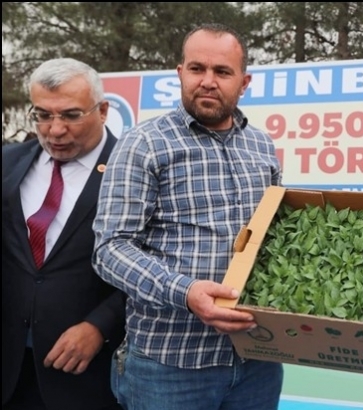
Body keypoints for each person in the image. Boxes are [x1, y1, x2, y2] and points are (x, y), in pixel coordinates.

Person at [92, 23, 284, 410]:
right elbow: (110, 249)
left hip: (257, 360)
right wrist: (185, 292)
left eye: (222, 71)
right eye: (197, 69)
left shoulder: (262, 146)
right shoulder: (144, 143)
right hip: (169, 367)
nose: (208, 81)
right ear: (180, 73)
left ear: (244, 83)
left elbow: (271, 236)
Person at [1, 58, 124, 410]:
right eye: (42, 115)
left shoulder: (132, 169)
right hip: (10, 368)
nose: (55, 130)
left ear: (102, 111)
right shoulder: (8, 163)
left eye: (71, 115)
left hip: (87, 375)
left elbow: (156, 259)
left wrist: (100, 327)